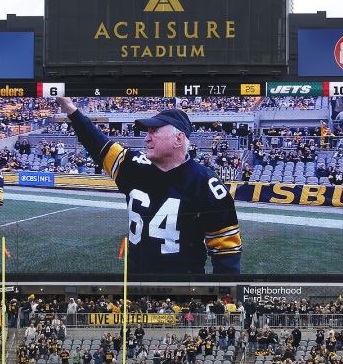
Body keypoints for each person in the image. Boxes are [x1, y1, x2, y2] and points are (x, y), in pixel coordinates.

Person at [55, 96, 242, 276]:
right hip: (135, 283)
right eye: (147, 132)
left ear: (178, 139)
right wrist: (71, 110)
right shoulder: (132, 165)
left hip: (183, 288)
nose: (147, 138)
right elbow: (96, 142)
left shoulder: (206, 184)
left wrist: (223, 296)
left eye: (154, 131)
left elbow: (227, 252)